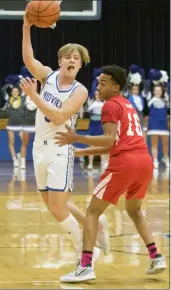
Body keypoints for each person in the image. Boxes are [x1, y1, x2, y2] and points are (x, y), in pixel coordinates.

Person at [54, 65, 167, 282]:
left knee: (92, 212)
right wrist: (82, 152)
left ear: (116, 86)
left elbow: (108, 140)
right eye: (98, 82)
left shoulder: (109, 106)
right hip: (144, 162)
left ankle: (85, 265)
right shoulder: (129, 105)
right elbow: (116, 143)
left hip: (125, 163)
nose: (99, 86)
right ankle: (156, 256)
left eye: (103, 83)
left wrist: (75, 137)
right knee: (134, 210)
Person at [20, 13, 110, 265]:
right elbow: (28, 58)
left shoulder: (79, 90)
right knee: (53, 206)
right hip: (39, 148)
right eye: (68, 56)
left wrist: (34, 96)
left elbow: (59, 116)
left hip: (60, 149)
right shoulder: (47, 76)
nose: (72, 60)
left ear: (80, 65)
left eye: (77, 58)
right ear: (60, 61)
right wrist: (27, 26)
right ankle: (97, 225)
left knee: (58, 209)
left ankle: (85, 252)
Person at [147, 84, 169, 169]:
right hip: (154, 124)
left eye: (159, 90)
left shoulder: (165, 100)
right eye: (156, 90)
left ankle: (166, 158)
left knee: (165, 143)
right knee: (154, 144)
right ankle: (155, 160)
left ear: (162, 91)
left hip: (163, 125)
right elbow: (146, 108)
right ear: (153, 91)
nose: (157, 92)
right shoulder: (151, 101)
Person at [6, 87, 27, 168]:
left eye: (16, 91)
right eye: (13, 91)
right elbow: (3, 90)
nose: (15, 92)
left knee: (24, 142)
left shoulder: (22, 99)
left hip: (21, 125)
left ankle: (22, 160)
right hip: (11, 125)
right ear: (11, 93)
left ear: (19, 93)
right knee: (11, 142)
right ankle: (14, 160)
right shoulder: (8, 100)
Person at [87, 90, 108, 170]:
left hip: (101, 124)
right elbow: (88, 110)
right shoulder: (92, 103)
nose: (98, 96)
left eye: (99, 94)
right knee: (91, 144)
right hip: (93, 124)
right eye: (96, 94)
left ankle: (103, 162)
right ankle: (90, 164)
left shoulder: (104, 103)